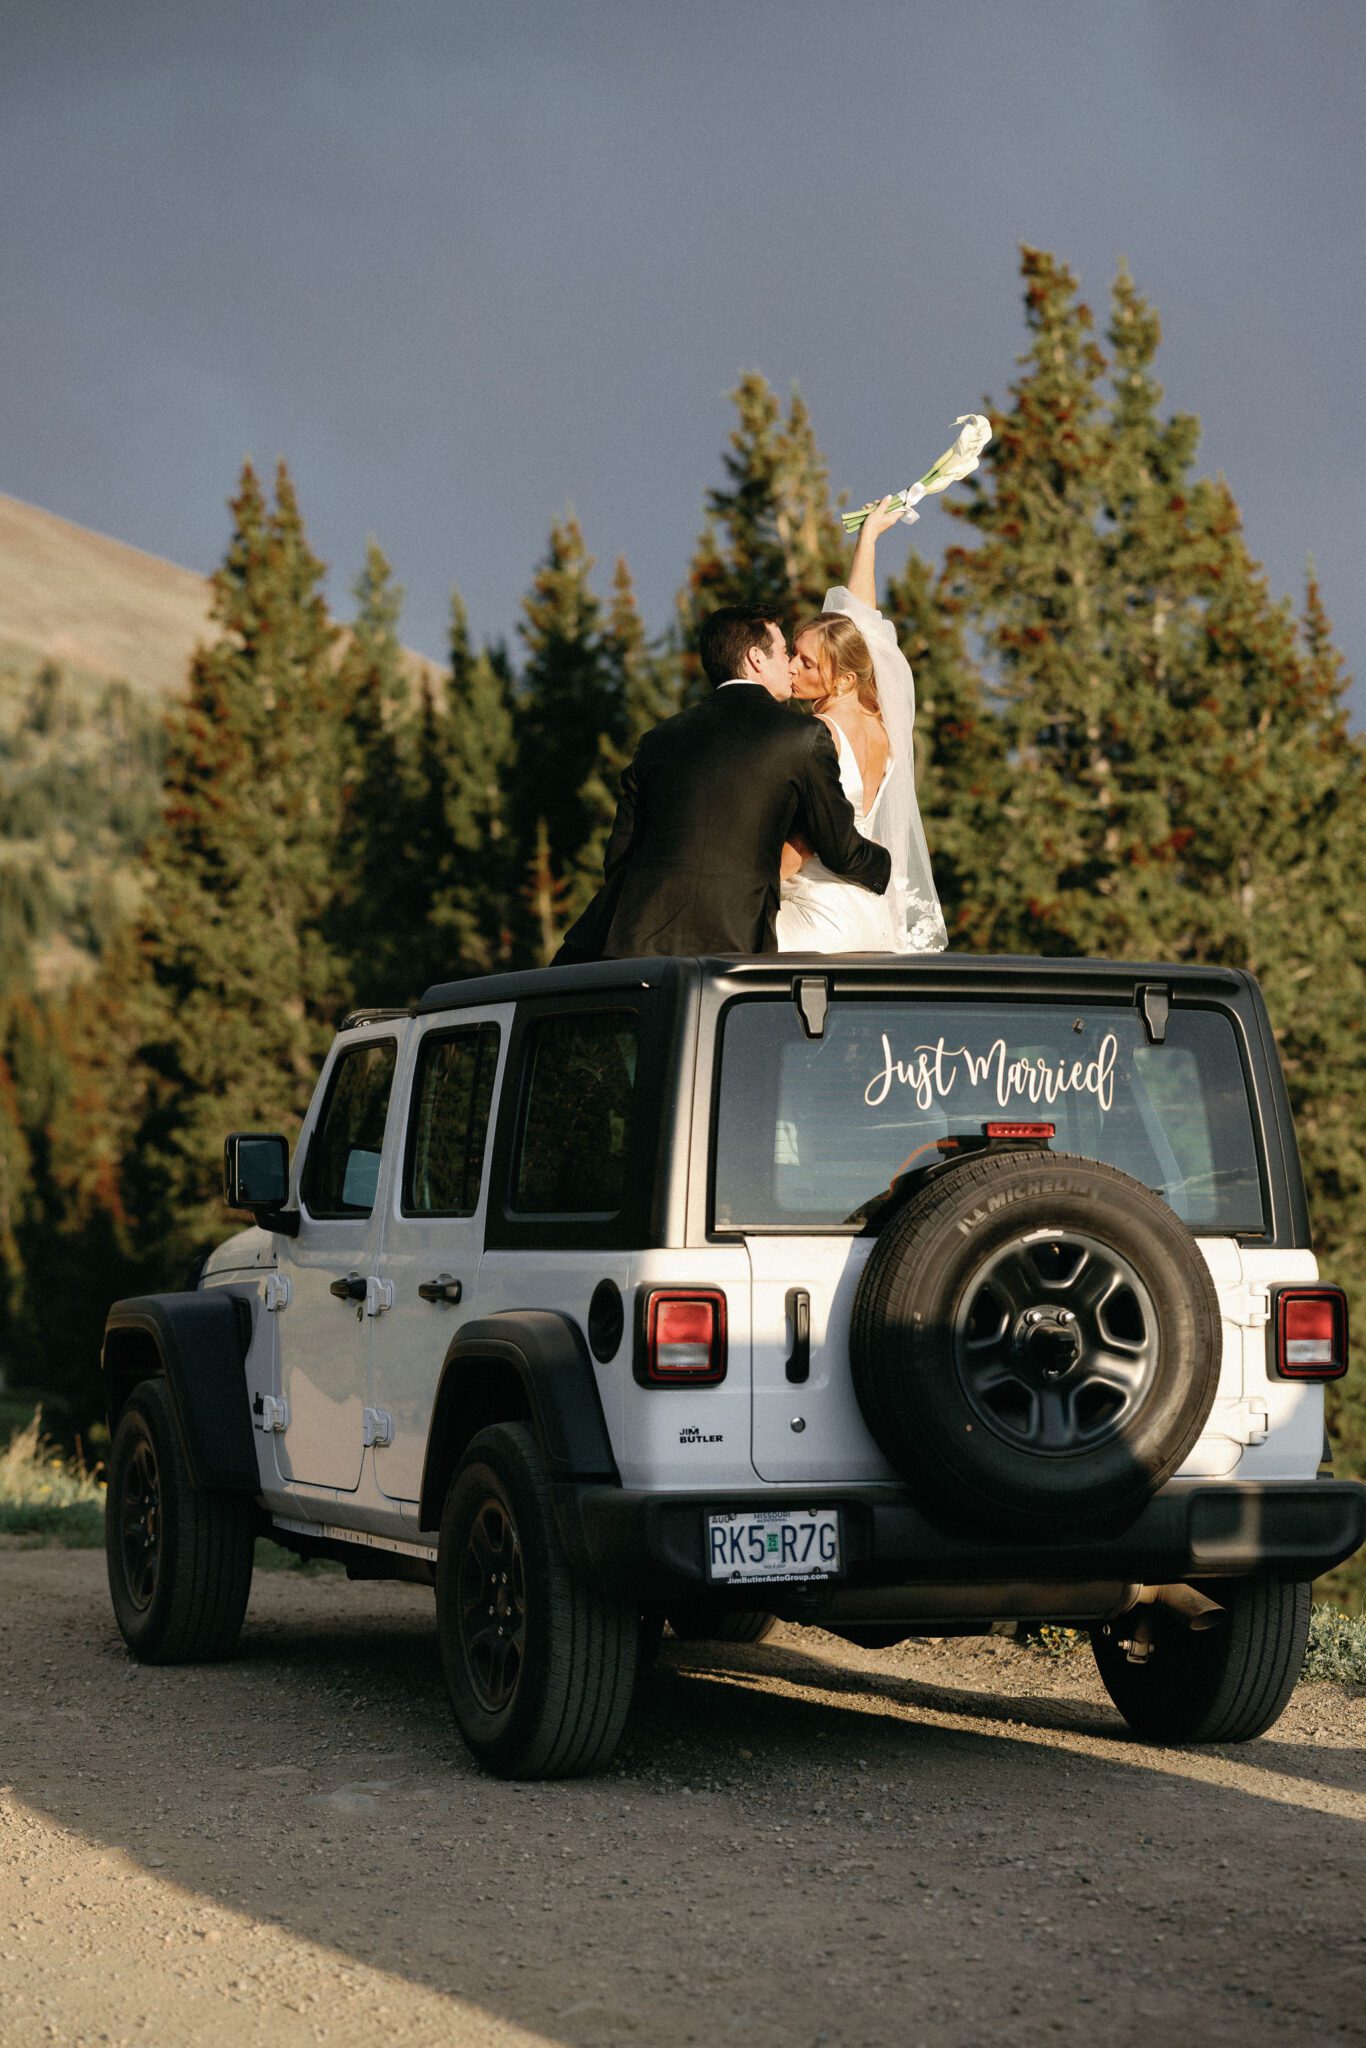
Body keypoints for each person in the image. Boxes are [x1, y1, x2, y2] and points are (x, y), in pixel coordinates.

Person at [554, 606, 891, 961]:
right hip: (737, 933)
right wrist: (884, 863)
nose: (790, 664)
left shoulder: (658, 738)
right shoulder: (802, 736)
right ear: (756, 659)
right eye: (783, 652)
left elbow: (619, 854)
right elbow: (837, 847)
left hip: (631, 936)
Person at [775, 497, 947, 954]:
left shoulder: (821, 735)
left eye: (806, 662)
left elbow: (804, 844)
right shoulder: (881, 718)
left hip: (819, 918)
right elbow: (863, 626)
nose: (792, 667)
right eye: (794, 653)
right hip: (872, 915)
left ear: (845, 678)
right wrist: (868, 537)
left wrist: (750, 888)